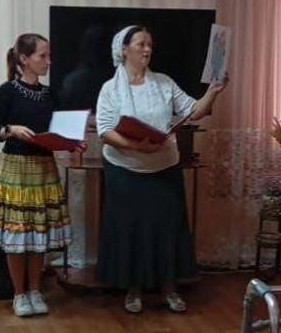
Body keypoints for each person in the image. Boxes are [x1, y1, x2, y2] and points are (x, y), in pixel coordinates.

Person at [95, 25, 228, 313]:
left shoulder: (164, 82)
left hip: (164, 168)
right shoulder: (110, 89)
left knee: (168, 229)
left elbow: (194, 110)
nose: (147, 49)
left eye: (150, 45)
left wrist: (213, 92)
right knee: (131, 231)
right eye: (141, 44)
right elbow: (105, 131)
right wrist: (137, 146)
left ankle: (170, 289)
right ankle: (133, 290)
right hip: (124, 171)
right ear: (124, 50)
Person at [0, 33, 84, 317]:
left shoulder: (51, 94)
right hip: (15, 170)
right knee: (17, 235)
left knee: (38, 233)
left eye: (49, 55)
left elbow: (59, 130)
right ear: (24, 59)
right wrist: (11, 129)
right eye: (42, 56)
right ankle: (19, 293)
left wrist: (73, 142)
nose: (48, 61)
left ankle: (36, 290)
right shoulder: (6, 92)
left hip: (44, 169)